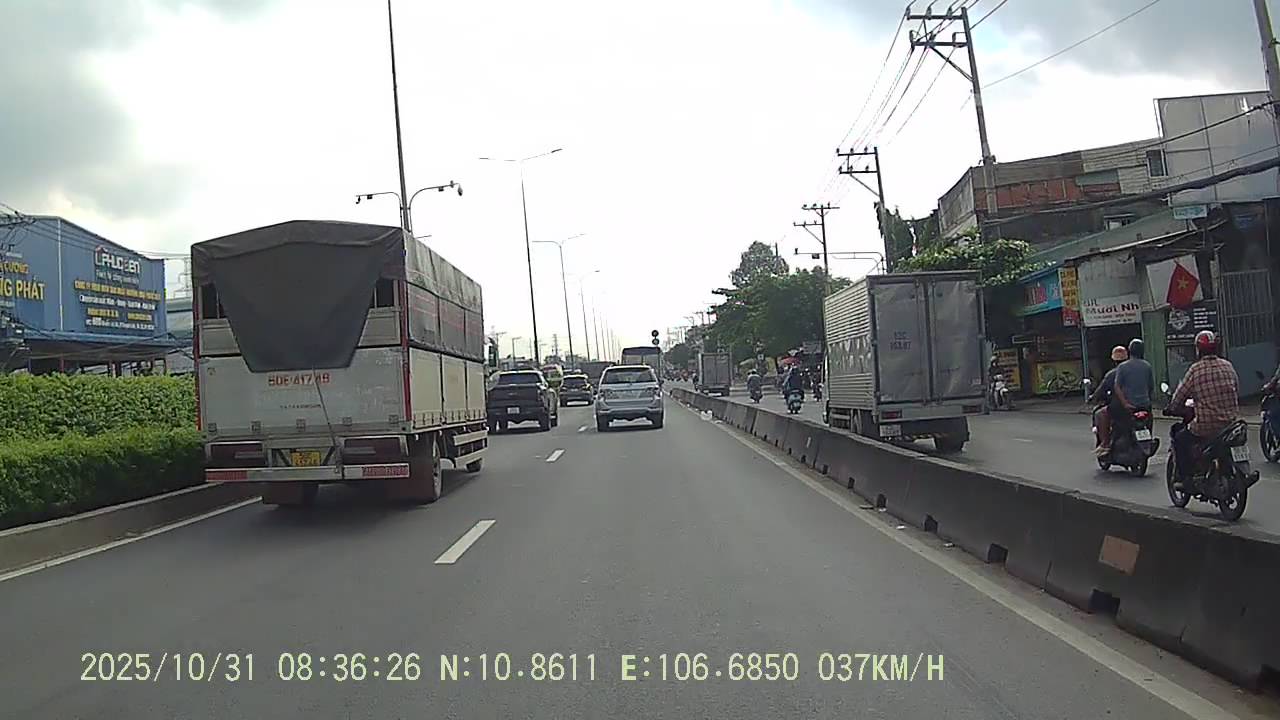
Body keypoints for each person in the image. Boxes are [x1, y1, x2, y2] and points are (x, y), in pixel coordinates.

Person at [1167, 330, 1239, 489]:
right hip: (1231, 424)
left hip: (1206, 426)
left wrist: (1173, 408)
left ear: (1198, 349)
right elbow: (1236, 388)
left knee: (1180, 438)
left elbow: (1179, 397)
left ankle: (1186, 479)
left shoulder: (1195, 370)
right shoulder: (1227, 366)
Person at [1111, 337, 1155, 441]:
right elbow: (1151, 387)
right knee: (1149, 421)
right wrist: (1147, 400)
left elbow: (1117, 386)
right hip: (1145, 405)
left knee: (1117, 421)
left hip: (1129, 407)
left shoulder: (1122, 367)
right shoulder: (1147, 366)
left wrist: (1125, 403)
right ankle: (1149, 438)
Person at [1090, 345, 1129, 455]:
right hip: (1138, 405)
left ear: (1114, 360)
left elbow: (1101, 389)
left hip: (1120, 407)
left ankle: (1105, 443)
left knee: (1100, 414)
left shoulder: (1112, 374)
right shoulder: (1134, 370)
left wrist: (1093, 397)